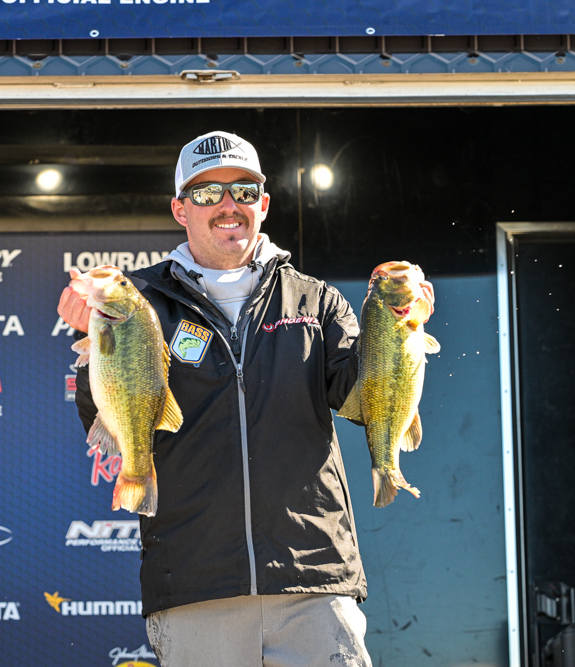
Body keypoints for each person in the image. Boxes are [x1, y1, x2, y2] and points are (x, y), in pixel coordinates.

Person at [56, 131, 371, 667]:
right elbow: (104, 416)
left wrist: (397, 332)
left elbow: (361, 400)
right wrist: (93, 344)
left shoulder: (316, 300)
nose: (228, 205)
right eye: (206, 193)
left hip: (313, 580)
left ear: (263, 205)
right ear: (180, 209)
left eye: (243, 191)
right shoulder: (141, 300)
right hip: (196, 585)